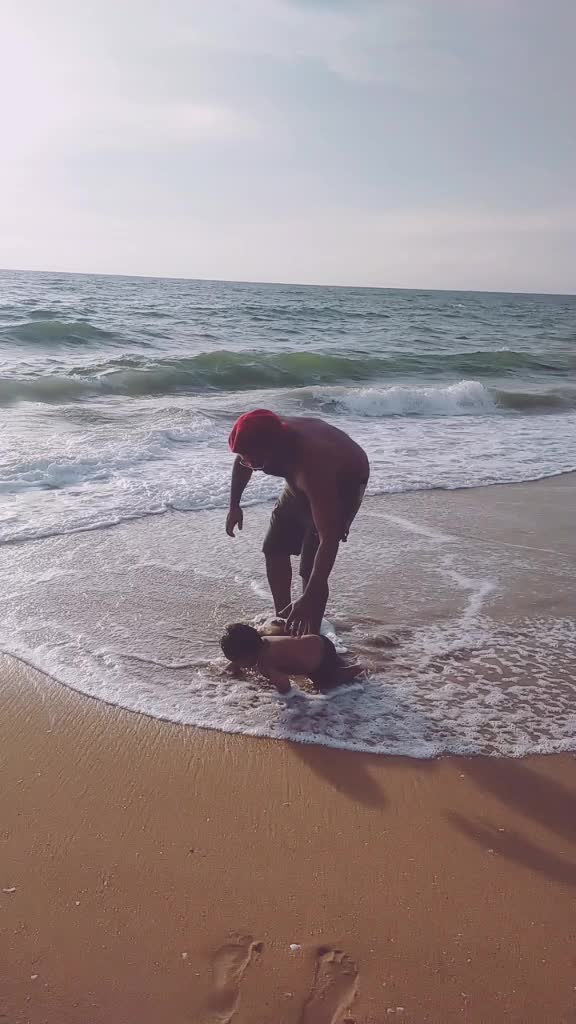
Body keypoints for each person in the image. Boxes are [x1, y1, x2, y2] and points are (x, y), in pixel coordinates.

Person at [225, 410, 369, 636]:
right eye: (245, 457)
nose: (249, 464)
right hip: (300, 476)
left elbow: (329, 539)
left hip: (345, 480)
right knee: (274, 547)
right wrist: (234, 505)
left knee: (311, 568)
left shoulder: (312, 467)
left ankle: (312, 635)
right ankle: (283, 618)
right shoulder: (263, 435)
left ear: (274, 447)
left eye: (254, 459)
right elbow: (243, 460)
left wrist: (310, 596)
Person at [220, 622, 363, 695]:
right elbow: (244, 650)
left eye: (238, 661)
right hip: (320, 641)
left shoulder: (265, 663)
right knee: (335, 662)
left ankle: (361, 667)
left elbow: (285, 687)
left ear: (248, 655)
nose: (239, 664)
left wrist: (269, 693)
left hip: (319, 663)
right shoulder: (263, 641)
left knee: (325, 684)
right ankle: (342, 661)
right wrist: (232, 667)